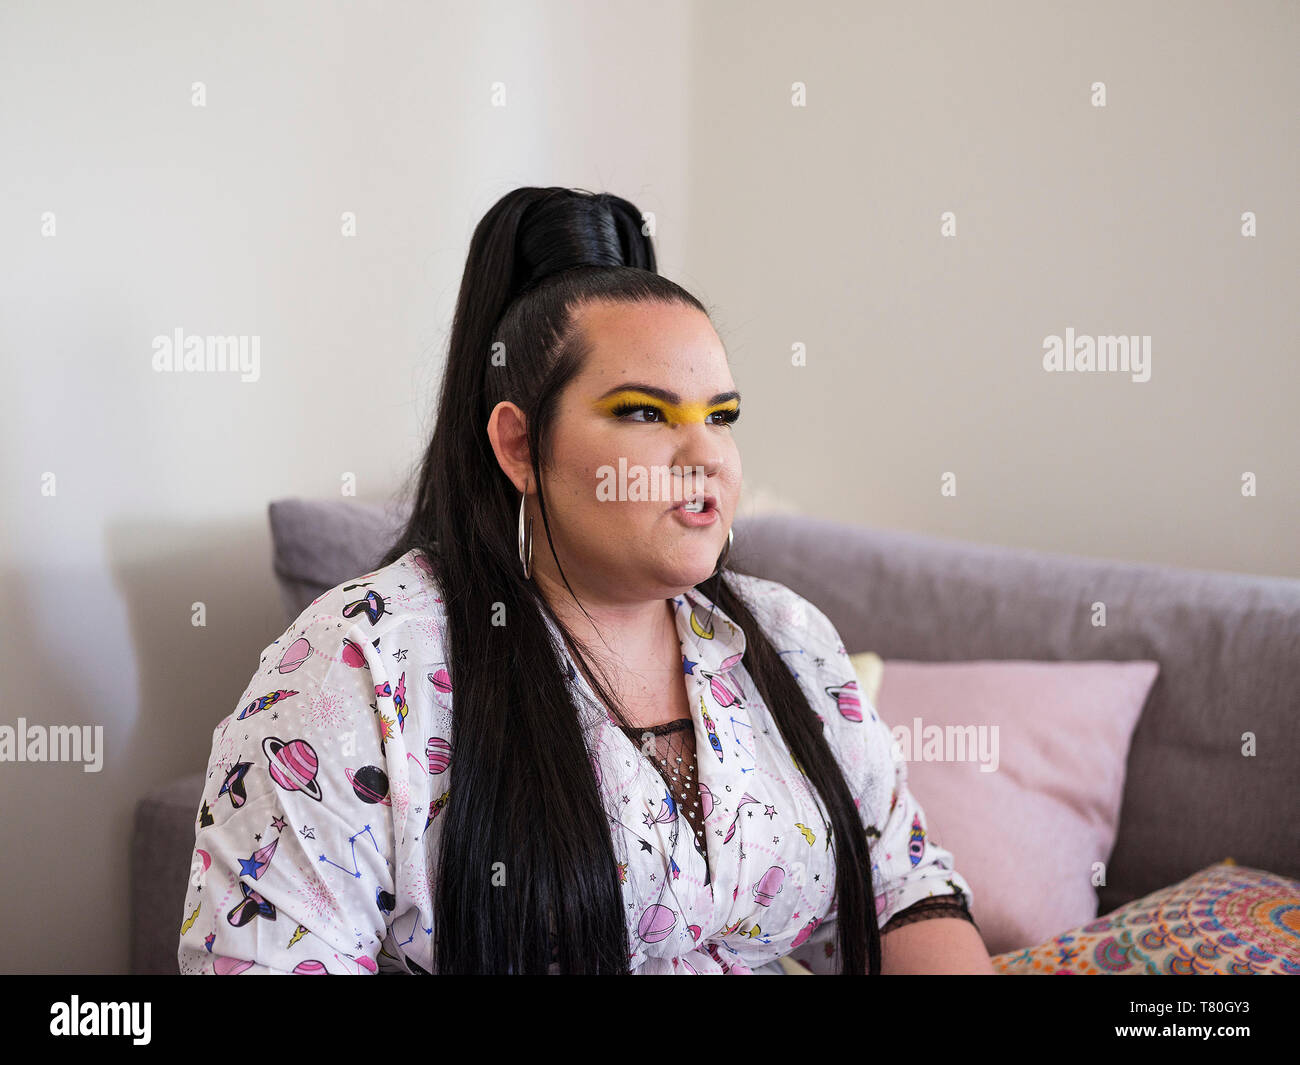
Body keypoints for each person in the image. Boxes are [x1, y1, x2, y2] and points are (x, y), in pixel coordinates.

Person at [177, 186, 993, 975]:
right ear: (519, 447)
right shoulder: (360, 663)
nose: (705, 452)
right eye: (645, 412)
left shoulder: (790, 640)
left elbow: (903, 889)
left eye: (722, 416)